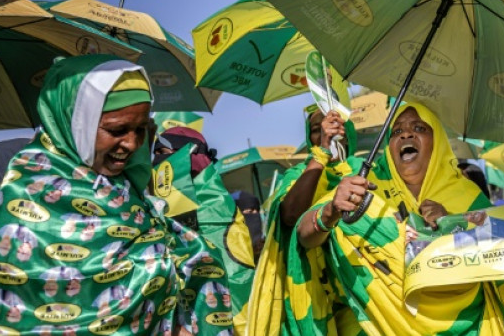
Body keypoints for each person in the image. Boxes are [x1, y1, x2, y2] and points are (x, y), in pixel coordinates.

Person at [0, 54, 203, 335]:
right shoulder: (27, 200)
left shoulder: (134, 197)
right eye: (117, 130)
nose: (132, 144)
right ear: (77, 121)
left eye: (142, 129)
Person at [291, 102, 504, 335]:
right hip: (377, 325)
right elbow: (304, 236)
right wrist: (330, 212)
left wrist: (453, 223)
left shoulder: (467, 195)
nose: (406, 134)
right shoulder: (364, 188)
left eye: (419, 128)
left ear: (437, 143)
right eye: (396, 131)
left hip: (470, 327)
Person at [245, 106, 358, 334]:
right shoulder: (299, 175)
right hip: (309, 297)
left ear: (349, 134)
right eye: (317, 129)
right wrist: (322, 154)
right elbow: (290, 216)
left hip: (356, 294)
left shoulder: (365, 172)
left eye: (335, 125)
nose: (326, 131)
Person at [151, 125, 255, 334]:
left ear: (191, 154)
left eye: (165, 154)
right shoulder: (163, 203)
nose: (158, 163)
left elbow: (233, 279)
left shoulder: (214, 204)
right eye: (156, 155)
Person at [231, 190, 264, 261]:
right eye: (250, 211)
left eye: (257, 211)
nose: (255, 215)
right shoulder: (226, 249)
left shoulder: (265, 249)